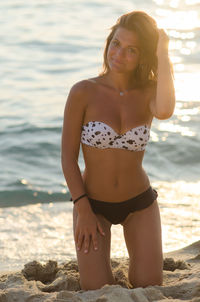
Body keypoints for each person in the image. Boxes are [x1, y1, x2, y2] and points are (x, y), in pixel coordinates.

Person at [61, 10, 175, 291]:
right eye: (116, 43)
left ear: (143, 56)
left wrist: (163, 53)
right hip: (92, 206)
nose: (118, 54)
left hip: (140, 204)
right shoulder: (83, 92)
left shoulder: (149, 92)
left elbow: (165, 110)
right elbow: (67, 158)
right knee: (98, 290)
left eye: (131, 50)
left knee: (150, 287)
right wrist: (83, 209)